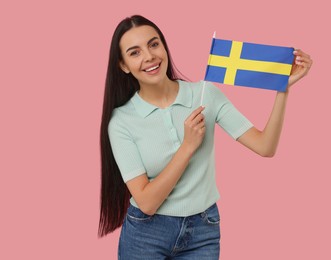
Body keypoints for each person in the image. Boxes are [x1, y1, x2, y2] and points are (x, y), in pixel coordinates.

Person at [98, 15, 312, 259]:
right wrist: (188, 147)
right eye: (134, 52)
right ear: (123, 65)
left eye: (154, 44)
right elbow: (146, 203)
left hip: (203, 232)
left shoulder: (204, 94)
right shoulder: (121, 121)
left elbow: (265, 146)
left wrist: (282, 89)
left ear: (164, 47)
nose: (149, 56)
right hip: (146, 234)